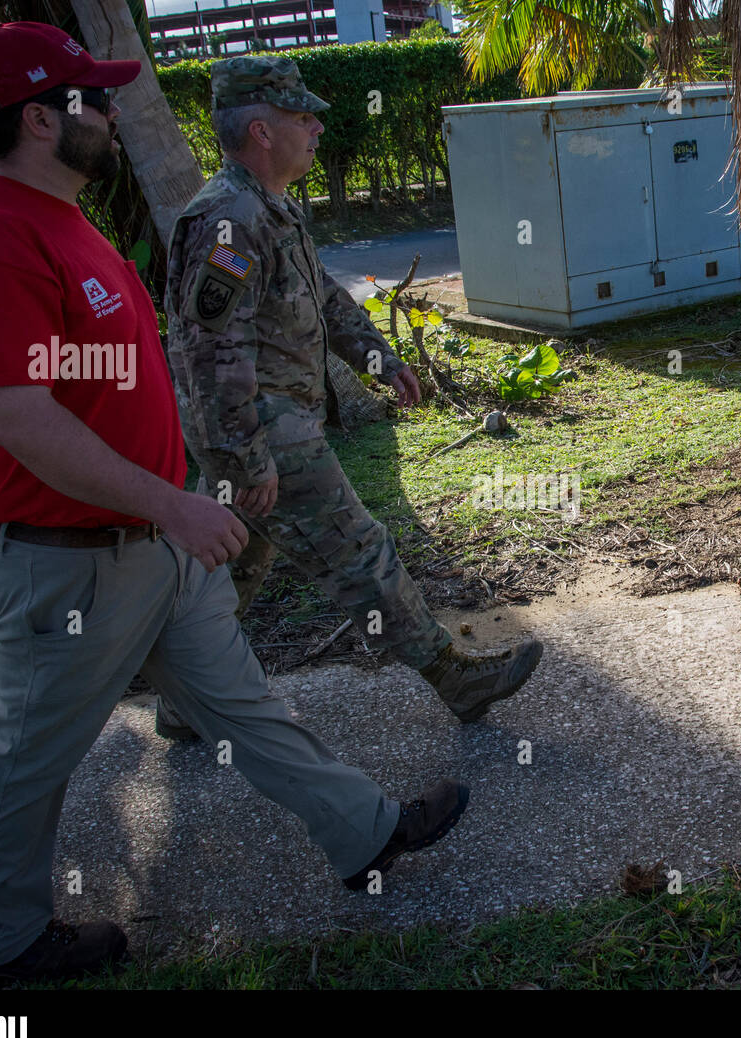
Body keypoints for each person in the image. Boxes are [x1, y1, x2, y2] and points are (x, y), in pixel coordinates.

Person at [0, 21, 468, 988]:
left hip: (151, 540)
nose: (114, 112)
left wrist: (172, 505)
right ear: (41, 119)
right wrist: (177, 505)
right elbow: (14, 415)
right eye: (94, 99)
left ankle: (366, 833)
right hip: (71, 559)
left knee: (251, 708)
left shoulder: (64, 217)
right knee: (29, 762)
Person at [156, 55, 542, 742]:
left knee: (232, 570)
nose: (316, 129)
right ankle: (456, 679)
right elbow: (208, 355)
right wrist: (247, 457)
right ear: (259, 129)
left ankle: (184, 700)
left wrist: (378, 358)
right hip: (262, 430)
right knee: (360, 551)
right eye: (301, 117)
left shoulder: (268, 208)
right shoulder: (228, 220)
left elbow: (324, 299)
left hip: (263, 429)